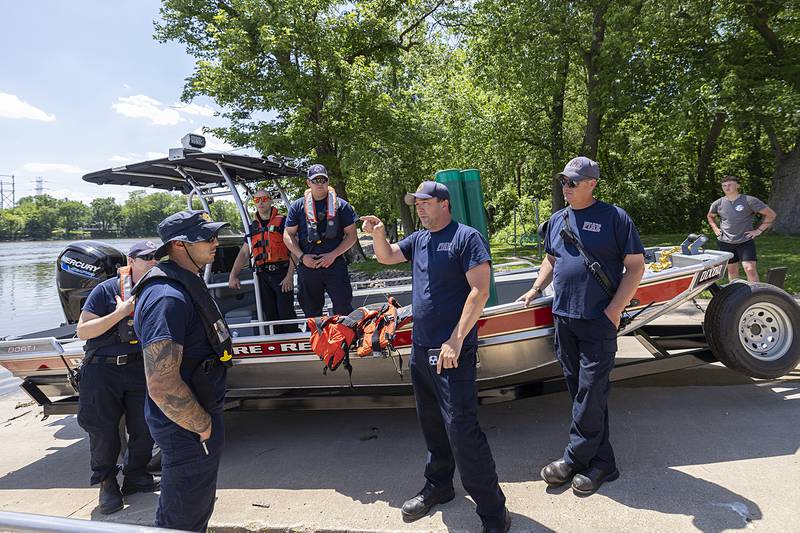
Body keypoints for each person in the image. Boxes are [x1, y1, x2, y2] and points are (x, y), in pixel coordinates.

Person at [362, 181, 510, 533]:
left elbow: (480, 291)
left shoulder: (466, 238)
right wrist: (378, 233)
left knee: (461, 430)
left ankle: (493, 512)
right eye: (416, 205)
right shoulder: (420, 239)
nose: (420, 209)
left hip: (452, 351)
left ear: (444, 203)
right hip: (421, 348)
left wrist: (456, 340)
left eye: (425, 203)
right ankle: (440, 485)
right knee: (431, 423)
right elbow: (386, 256)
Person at [518, 156, 645, 495]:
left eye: (573, 182)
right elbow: (551, 258)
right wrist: (535, 288)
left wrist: (615, 310)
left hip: (598, 320)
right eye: (564, 181)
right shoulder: (558, 219)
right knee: (582, 394)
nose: (566, 187)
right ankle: (604, 464)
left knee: (590, 392)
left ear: (592, 183)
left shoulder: (615, 218)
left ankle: (574, 457)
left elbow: (635, 267)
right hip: (564, 318)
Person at [133, 210, 233, 532]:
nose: (215, 242)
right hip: (186, 428)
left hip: (194, 422)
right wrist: (202, 426)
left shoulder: (185, 283)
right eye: (207, 237)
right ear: (178, 244)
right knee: (182, 520)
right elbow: (161, 384)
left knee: (196, 510)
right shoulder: (167, 297)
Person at [76, 240, 160, 514]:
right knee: (103, 431)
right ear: (131, 261)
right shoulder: (106, 289)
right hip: (103, 369)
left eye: (156, 256)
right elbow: (83, 331)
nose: (153, 261)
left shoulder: (157, 288)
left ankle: (136, 475)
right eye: (146, 257)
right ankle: (107, 483)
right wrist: (120, 313)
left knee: (145, 427)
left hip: (138, 367)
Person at [284, 164, 358, 317]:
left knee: (343, 309)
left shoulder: (342, 206)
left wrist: (333, 255)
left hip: (335, 264)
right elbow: (288, 235)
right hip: (308, 266)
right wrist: (302, 257)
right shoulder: (297, 207)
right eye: (315, 180)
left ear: (328, 181)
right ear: (308, 183)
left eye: (323, 180)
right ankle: (317, 340)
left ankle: (344, 339)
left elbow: (352, 235)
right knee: (311, 313)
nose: (319, 183)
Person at [228, 189, 298, 332]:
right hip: (262, 276)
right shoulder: (252, 227)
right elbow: (244, 253)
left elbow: (294, 250)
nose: (260, 202)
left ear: (271, 200)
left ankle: (292, 343)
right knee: (270, 315)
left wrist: (290, 276)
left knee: (286, 312)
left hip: (282, 274)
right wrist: (233, 275)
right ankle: (277, 347)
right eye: (257, 200)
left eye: (264, 199)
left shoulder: (284, 222)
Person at [706, 175, 776, 282]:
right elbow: (710, 216)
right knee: (732, 271)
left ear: (738, 186)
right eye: (724, 185)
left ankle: (755, 295)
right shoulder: (718, 203)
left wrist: (758, 230)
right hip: (725, 241)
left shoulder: (749, 200)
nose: (726, 187)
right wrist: (715, 228)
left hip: (745, 240)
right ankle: (736, 295)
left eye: (730, 185)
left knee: (750, 269)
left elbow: (771, 214)